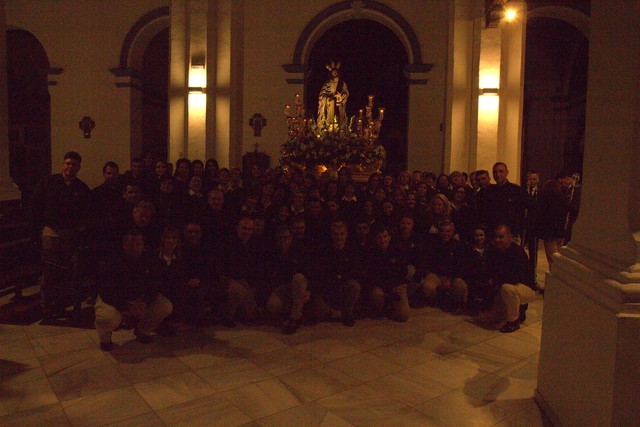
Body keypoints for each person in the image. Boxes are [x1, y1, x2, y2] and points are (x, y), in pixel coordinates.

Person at [29, 151, 92, 317]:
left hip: (70, 234)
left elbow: (86, 213)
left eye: (74, 164)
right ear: (63, 164)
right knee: (49, 270)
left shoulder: (81, 188)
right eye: (67, 163)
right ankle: (47, 306)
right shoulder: (48, 182)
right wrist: (38, 229)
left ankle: (61, 304)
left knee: (65, 271)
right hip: (51, 232)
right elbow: (36, 206)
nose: (70, 167)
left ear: (79, 167)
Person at [94, 228, 173, 351]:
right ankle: (105, 339)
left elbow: (155, 284)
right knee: (106, 318)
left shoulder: (149, 259)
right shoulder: (112, 261)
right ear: (124, 244)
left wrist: (145, 303)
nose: (135, 248)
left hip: (139, 299)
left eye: (138, 244)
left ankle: (143, 330)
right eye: (131, 244)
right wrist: (127, 307)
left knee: (165, 306)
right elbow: (106, 291)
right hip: (114, 300)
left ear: (143, 245)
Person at [480, 224, 537, 333]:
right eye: (495, 237)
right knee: (487, 319)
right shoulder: (493, 252)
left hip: (523, 288)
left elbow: (516, 278)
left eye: (501, 237)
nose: (497, 240)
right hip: (502, 287)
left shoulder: (518, 253)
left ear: (510, 236)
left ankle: (513, 321)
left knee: (508, 289)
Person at [265, 226, 311, 334]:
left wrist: (309, 290)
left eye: (286, 238)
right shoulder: (272, 252)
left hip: (298, 285)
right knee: (272, 306)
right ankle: (295, 309)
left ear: (291, 238)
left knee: (298, 278)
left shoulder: (300, 250)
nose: (283, 241)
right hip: (282, 287)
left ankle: (295, 318)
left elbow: (308, 272)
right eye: (280, 238)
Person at [317, 61, 349, 130]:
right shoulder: (328, 83)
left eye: (336, 72)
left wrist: (341, 96)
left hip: (339, 102)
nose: (334, 73)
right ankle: (329, 125)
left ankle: (340, 127)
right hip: (330, 102)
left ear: (338, 73)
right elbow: (322, 93)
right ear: (331, 73)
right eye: (333, 72)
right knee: (331, 104)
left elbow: (346, 92)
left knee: (339, 111)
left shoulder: (342, 83)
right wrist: (327, 97)